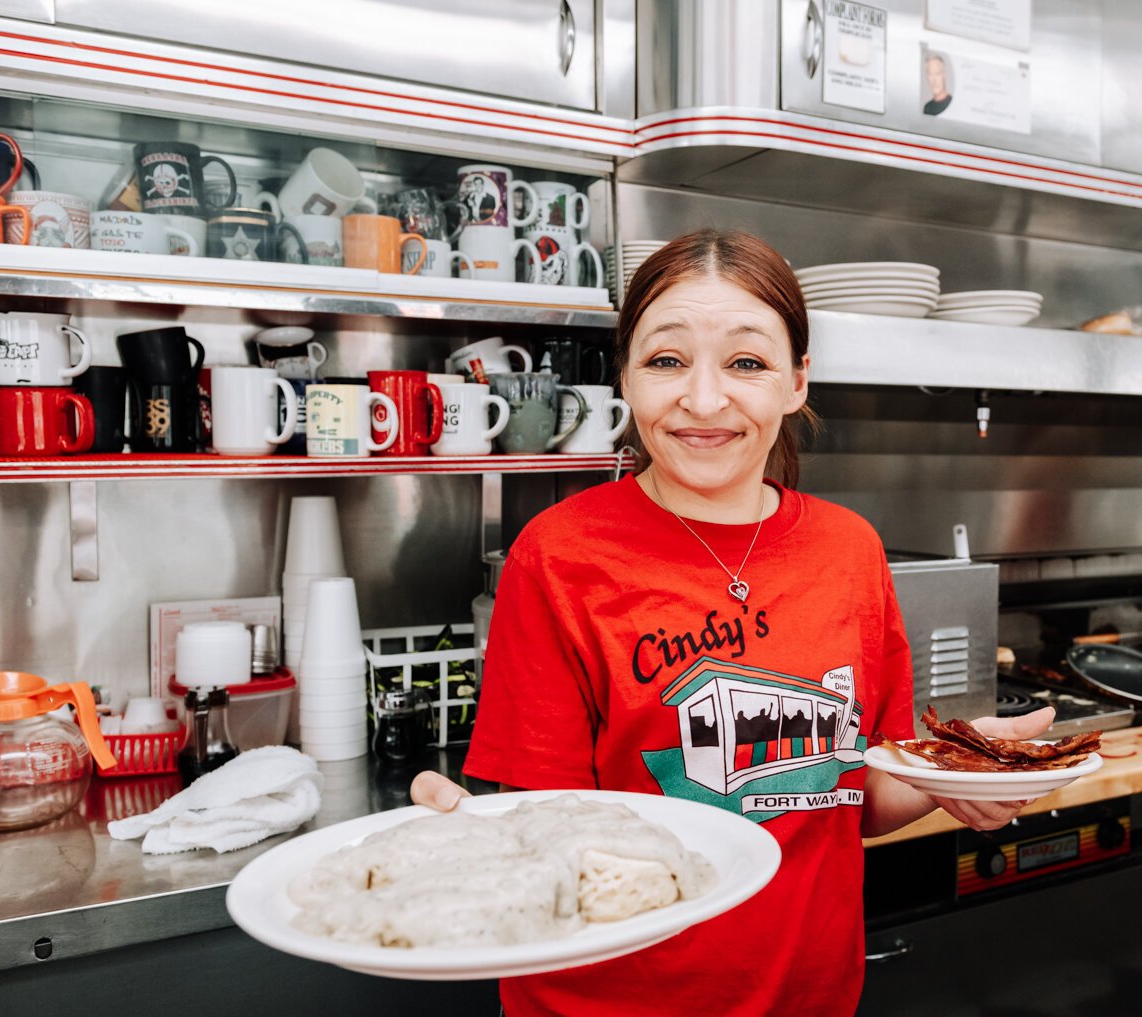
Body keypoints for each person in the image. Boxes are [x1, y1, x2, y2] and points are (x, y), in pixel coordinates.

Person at [411, 228, 1053, 1016]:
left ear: (796, 381)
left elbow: (860, 795)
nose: (704, 400)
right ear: (627, 379)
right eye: (666, 360)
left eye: (746, 362)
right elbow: (544, 832)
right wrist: (464, 839)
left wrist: (950, 775)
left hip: (809, 996)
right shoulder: (558, 557)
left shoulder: (850, 550)